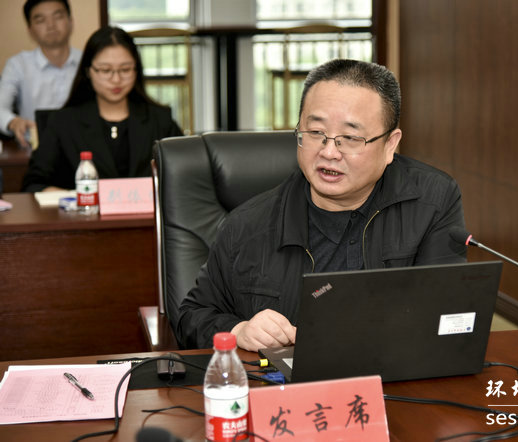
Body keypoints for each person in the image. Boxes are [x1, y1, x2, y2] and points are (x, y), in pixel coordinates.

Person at [176, 59, 467, 351]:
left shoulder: (432, 202)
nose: (329, 152)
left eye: (350, 138)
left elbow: (449, 315)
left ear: (390, 144)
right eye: (316, 133)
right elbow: (191, 316)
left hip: (395, 373)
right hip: (287, 379)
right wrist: (239, 331)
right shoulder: (247, 225)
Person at [21, 26, 182, 192]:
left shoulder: (161, 120)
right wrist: (70, 198)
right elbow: (33, 183)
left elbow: (187, 176)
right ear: (88, 71)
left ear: (136, 70)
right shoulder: (63, 122)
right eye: (106, 70)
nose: (116, 79)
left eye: (125, 69)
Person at [0, 0, 81, 148]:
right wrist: (13, 122)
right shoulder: (18, 65)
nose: (51, 25)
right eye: (40, 20)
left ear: (71, 22)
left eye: (58, 17)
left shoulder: (89, 62)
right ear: (30, 30)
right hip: (33, 149)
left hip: (83, 149)